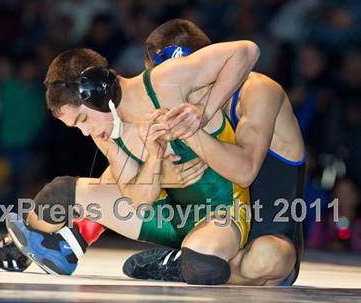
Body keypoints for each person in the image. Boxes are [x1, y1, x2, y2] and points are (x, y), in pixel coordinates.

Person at [6, 35, 259, 286]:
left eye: (82, 120)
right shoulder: (106, 134)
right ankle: (33, 247)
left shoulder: (162, 82)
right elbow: (140, 201)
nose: (85, 132)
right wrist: (155, 159)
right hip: (168, 216)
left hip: (220, 211)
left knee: (202, 266)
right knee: (58, 192)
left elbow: (247, 51)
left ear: (98, 91)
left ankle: (174, 260)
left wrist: (204, 113)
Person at [124, 19, 305, 286]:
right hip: (209, 225)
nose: (163, 91)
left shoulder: (257, 91)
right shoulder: (176, 108)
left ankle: (183, 265)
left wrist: (190, 130)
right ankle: (197, 261)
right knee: (121, 184)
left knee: (269, 258)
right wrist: (161, 170)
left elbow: (245, 172)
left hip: (267, 235)